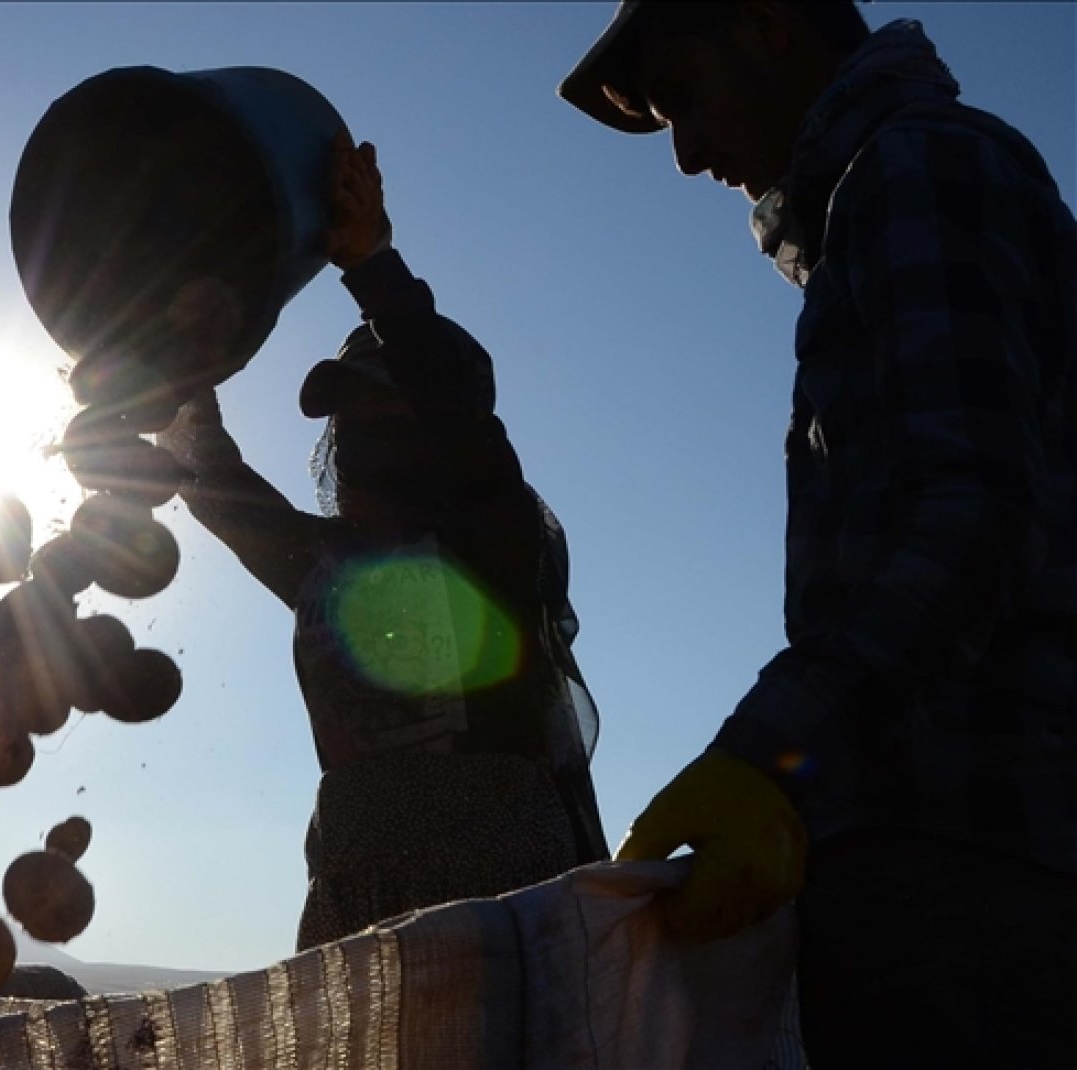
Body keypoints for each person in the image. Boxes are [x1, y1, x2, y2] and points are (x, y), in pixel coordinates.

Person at [559, 2, 1077, 1063]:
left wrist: (767, 759)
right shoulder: (888, 192)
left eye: (684, 101)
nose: (688, 153)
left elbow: (973, 514)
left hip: (971, 865)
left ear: (767, 23)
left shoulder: (915, 169)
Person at [158, 139, 609, 951]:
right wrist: (170, 377)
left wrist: (373, 268)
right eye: (349, 419)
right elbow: (216, 486)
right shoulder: (324, 565)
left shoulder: (494, 537)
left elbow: (456, 414)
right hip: (352, 877)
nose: (359, 438)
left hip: (496, 888)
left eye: (383, 414)